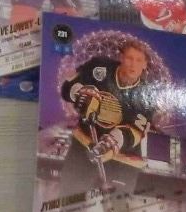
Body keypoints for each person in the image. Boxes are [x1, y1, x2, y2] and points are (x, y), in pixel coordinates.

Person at [58, 38, 158, 196]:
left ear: (145, 65)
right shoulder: (99, 67)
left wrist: (110, 143)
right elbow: (68, 86)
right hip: (85, 143)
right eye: (129, 58)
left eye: (139, 60)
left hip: (124, 158)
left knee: (119, 207)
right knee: (69, 197)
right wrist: (80, 94)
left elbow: (135, 131)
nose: (133, 64)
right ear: (121, 57)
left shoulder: (148, 95)